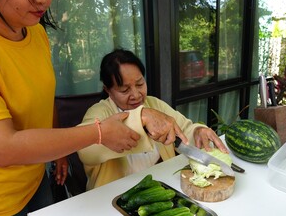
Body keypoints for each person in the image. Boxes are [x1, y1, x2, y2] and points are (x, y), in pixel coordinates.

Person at [0, 0, 187, 216]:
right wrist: (99, 133)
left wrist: (59, 153)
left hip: (35, 178)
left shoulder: (34, 33)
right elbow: (3, 148)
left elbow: (44, 100)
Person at [78, 48, 229, 190]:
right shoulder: (99, 113)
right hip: (115, 196)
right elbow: (85, 151)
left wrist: (197, 131)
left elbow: (184, 129)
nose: (136, 95)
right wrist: (141, 118)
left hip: (162, 186)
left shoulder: (154, 104)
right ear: (108, 90)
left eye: (140, 84)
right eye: (124, 90)